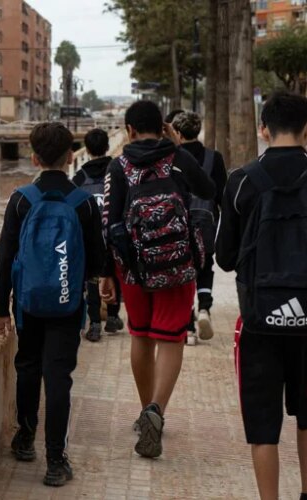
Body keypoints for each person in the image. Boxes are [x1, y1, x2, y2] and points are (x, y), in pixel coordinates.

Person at [99, 100, 215, 459]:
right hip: (178, 265)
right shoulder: (177, 158)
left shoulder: (118, 165)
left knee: (141, 335)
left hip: (134, 267)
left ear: (129, 130)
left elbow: (109, 220)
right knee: (171, 338)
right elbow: (208, 190)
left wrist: (107, 273)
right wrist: (177, 147)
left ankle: (143, 409)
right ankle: (157, 410)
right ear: (163, 127)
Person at [0, 122, 105, 487]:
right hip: (68, 304)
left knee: (27, 367)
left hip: (27, 304)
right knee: (59, 378)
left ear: (34, 157)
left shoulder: (21, 199)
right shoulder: (84, 203)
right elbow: (96, 260)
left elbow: (5, 256)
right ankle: (56, 461)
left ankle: (25, 438)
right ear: (72, 156)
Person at [217, 91, 307, 500]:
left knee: (263, 425)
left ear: (263, 128)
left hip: (260, 320)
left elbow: (226, 258)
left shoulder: (241, 181)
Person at [166, 111, 228, 345]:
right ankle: (204, 308)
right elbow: (221, 194)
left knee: (181, 273)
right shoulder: (214, 158)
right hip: (206, 222)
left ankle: (188, 328)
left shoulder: (172, 158)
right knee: (205, 266)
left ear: (178, 133)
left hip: (177, 224)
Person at [73, 128, 125, 342]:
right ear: (106, 147)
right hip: (114, 234)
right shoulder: (118, 170)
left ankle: (94, 322)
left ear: (87, 148)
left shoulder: (79, 177)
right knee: (114, 273)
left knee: (92, 279)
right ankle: (112, 317)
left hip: (89, 238)